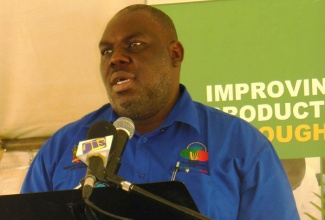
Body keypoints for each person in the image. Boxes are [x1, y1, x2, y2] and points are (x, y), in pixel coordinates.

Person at [21, 4, 299, 219]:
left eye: (135, 45)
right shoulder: (60, 148)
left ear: (175, 54)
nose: (115, 58)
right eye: (106, 51)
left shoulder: (241, 145)